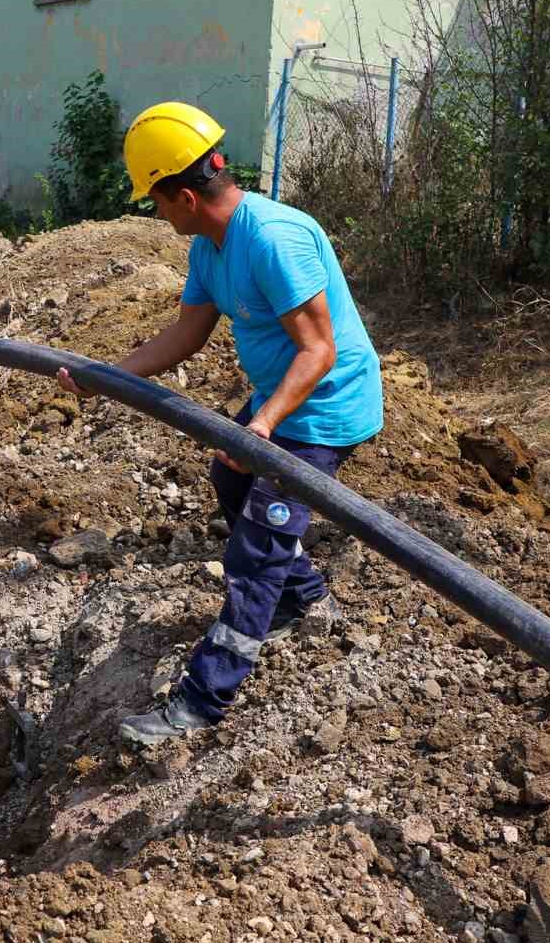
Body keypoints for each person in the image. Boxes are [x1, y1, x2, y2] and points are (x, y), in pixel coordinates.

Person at [58, 102, 383, 746]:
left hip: (323, 408)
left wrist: (260, 427)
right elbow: (188, 331)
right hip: (282, 403)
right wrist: (109, 374)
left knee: (256, 549)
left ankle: (201, 702)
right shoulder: (210, 245)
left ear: (183, 195)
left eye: (155, 201)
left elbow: (321, 351)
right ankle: (308, 598)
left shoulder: (271, 239)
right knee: (231, 482)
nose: (155, 214)